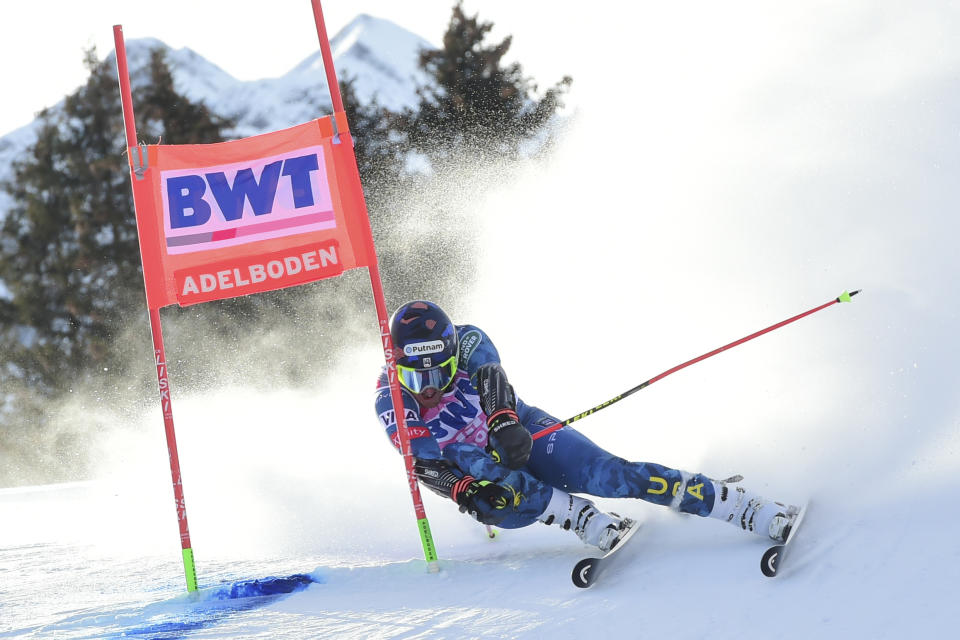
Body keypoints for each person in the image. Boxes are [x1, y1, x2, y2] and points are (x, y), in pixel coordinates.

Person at [374, 300, 799, 552]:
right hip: (482, 468)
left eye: (437, 374)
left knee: (610, 475)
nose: (427, 389)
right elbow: (424, 464)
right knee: (473, 466)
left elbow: (490, 375)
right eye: (417, 378)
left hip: (521, 431)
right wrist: (464, 491)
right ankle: (577, 517)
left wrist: (504, 422)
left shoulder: (466, 339)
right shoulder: (389, 397)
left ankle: (737, 504)